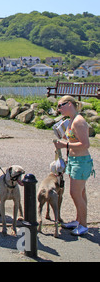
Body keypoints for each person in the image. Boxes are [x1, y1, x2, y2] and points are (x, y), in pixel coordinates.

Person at [53, 95, 94, 236]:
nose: (58, 109)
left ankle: (83, 225)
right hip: (74, 160)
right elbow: (73, 139)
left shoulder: (79, 121)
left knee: (75, 194)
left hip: (81, 162)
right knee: (80, 193)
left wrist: (65, 144)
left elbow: (85, 144)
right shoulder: (71, 120)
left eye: (60, 106)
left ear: (69, 104)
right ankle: (79, 220)